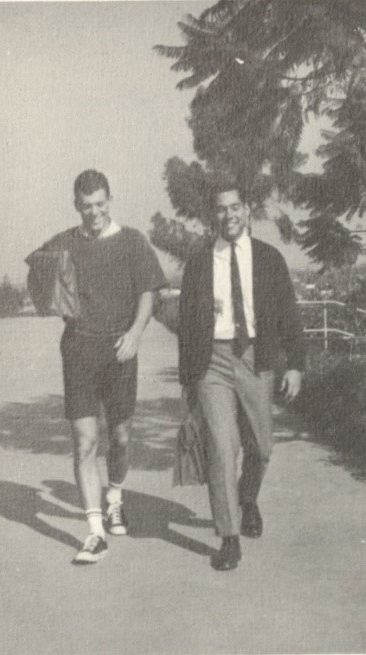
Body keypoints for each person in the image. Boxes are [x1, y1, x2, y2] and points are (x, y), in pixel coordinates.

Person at [27, 170, 166, 564]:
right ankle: (94, 533)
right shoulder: (65, 242)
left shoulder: (132, 241)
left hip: (121, 352)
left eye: (100, 204)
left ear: (110, 201)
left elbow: (148, 291)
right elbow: (36, 271)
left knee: (120, 438)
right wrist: (55, 299)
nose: (94, 212)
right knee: (85, 442)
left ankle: (115, 496)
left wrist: (136, 332)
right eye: (86, 206)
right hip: (79, 353)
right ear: (76, 205)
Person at [178, 179, 305, 571]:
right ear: (212, 215)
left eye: (235, 207)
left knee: (261, 447)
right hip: (212, 361)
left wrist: (296, 364)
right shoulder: (199, 263)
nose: (228, 215)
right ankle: (229, 536)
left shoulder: (269, 258)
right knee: (221, 445)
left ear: (246, 210)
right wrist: (188, 381)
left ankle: (247, 498)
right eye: (220, 209)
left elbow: (288, 314)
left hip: (256, 358)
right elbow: (186, 324)